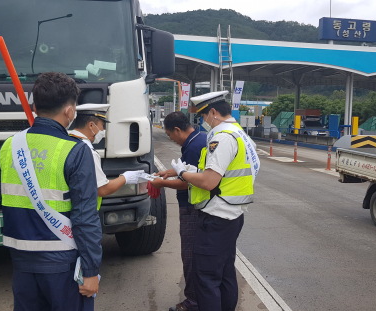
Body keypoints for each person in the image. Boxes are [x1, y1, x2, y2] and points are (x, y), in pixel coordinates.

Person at [0, 72, 107, 311]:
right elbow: (85, 216)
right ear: (70, 112)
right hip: (63, 264)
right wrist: (92, 271)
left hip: (21, 262)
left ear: (34, 106)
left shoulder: (10, 145)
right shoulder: (76, 150)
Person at [160, 91, 260, 311]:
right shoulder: (241, 135)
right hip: (233, 215)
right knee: (225, 275)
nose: (204, 121)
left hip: (216, 217)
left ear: (214, 112)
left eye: (205, 115)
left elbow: (209, 181)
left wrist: (183, 174)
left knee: (206, 279)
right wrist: (185, 170)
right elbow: (225, 174)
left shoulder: (221, 137)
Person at [152, 112, 207, 311]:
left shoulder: (192, 146)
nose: (171, 140)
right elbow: (190, 169)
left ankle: (193, 302)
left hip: (192, 207)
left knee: (190, 254)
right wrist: (170, 172)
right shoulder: (199, 138)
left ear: (177, 130)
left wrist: (162, 183)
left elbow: (188, 183)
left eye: (169, 135)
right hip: (200, 206)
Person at [68, 103, 142, 201]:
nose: (102, 130)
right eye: (102, 125)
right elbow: (102, 189)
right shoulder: (87, 152)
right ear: (91, 125)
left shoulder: (67, 142)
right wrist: (126, 177)